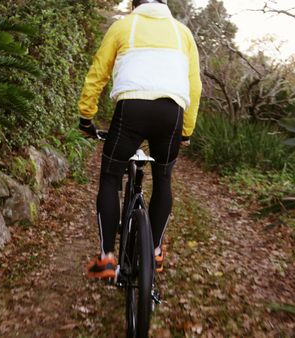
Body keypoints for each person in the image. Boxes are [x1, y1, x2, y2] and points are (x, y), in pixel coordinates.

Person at [78, 0, 202, 279]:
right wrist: (187, 130)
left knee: (110, 179)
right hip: (172, 112)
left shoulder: (123, 26)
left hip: (131, 109)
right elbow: (195, 85)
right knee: (163, 179)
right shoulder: (182, 33)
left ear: (135, 3)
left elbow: (99, 72)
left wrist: (87, 116)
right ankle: (155, 251)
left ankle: (107, 258)